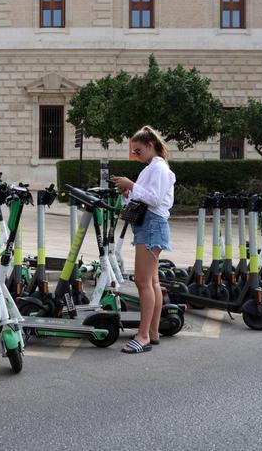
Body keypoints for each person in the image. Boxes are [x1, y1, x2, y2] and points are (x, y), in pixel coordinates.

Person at [111, 126, 175, 354]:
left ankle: (143, 335)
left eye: (137, 151)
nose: (135, 155)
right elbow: (146, 198)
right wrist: (129, 193)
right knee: (152, 282)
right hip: (150, 225)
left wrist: (131, 185)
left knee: (142, 282)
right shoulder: (153, 167)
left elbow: (155, 199)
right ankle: (153, 332)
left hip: (152, 225)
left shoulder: (158, 167)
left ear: (150, 146)